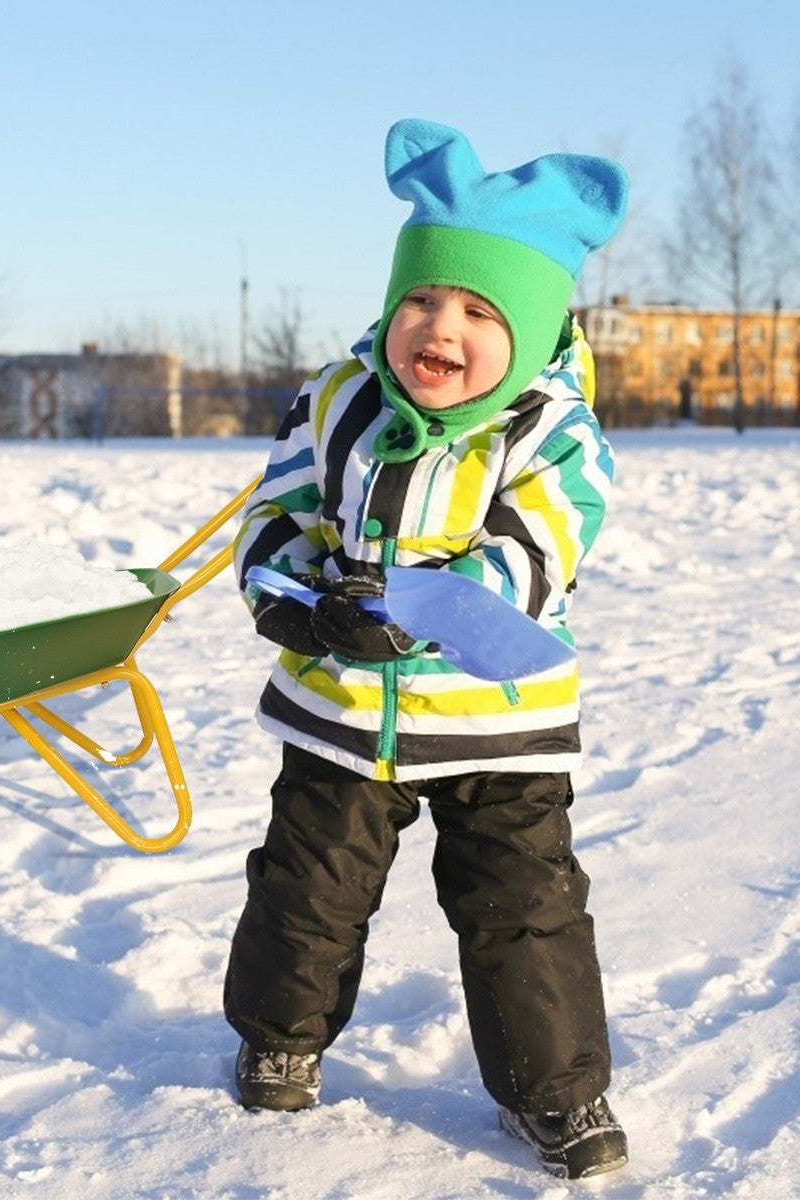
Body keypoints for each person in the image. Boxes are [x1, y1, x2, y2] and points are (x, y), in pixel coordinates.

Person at [224, 118, 630, 1181]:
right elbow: (282, 510)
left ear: (533, 329)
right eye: (421, 299)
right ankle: (281, 1035)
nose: (438, 327)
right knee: (305, 887)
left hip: (497, 724)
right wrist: (289, 597)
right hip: (344, 710)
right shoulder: (337, 399)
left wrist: (414, 609)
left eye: (478, 310)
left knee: (523, 912)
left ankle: (558, 1094)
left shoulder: (552, 436)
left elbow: (534, 552)